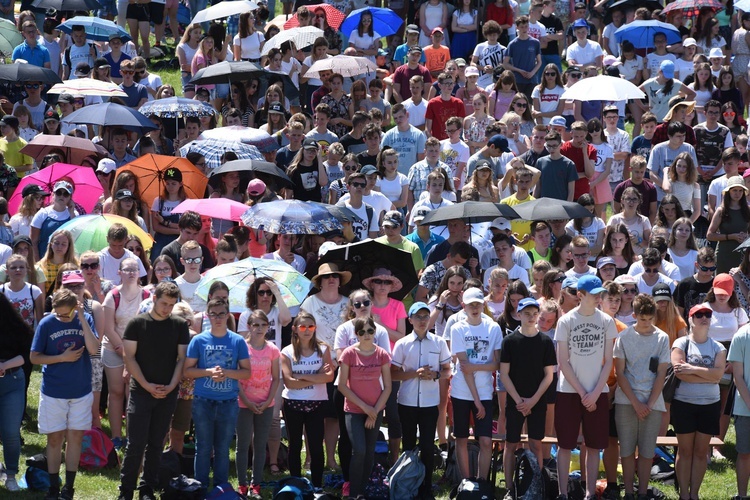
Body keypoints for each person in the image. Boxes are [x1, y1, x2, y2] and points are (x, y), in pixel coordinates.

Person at [118, 282, 188, 500]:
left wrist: (171, 386)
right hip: (141, 390)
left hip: (167, 392)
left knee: (157, 443)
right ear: (154, 298)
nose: (167, 308)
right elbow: (128, 357)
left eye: (171, 305)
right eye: (164, 303)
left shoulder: (179, 325)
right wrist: (147, 386)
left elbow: (181, 359)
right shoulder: (137, 324)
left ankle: (147, 487)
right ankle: (126, 489)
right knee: (135, 444)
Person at [31, 288, 99, 500]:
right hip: (53, 391)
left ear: (75, 308)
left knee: (75, 437)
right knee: (54, 439)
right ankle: (53, 487)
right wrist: (62, 358)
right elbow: (34, 357)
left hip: (80, 390)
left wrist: (80, 317)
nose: (60, 317)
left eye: (65, 314)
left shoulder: (85, 318)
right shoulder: (46, 323)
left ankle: (68, 488)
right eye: (57, 313)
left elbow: (94, 349)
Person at [555, 275, 617, 500]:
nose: (599, 297)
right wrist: (583, 394)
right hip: (569, 392)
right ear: (580, 295)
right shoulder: (566, 321)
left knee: (593, 445)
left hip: (597, 392)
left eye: (601, 293)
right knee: (565, 445)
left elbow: (609, 361)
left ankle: (590, 493)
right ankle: (563, 493)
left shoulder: (606, 321)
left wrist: (595, 392)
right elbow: (563, 361)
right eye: (594, 294)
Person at [183, 298, 251, 495]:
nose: (218, 318)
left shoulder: (237, 340)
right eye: (213, 314)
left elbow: (246, 372)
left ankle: (221, 491)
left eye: (221, 314)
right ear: (207, 316)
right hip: (203, 400)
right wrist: (209, 372)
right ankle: (200, 490)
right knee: (202, 447)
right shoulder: (199, 340)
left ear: (228, 315)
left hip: (228, 402)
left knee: (222, 449)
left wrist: (227, 373)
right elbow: (188, 371)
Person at [391, 301, 451, 498]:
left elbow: (447, 371)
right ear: (410, 320)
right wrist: (413, 374)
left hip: (429, 402)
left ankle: (425, 487)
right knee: (408, 445)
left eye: (426, 317)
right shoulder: (402, 343)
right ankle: (407, 484)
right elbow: (393, 374)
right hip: (407, 401)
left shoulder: (439, 342)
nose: (423, 321)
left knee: (426, 446)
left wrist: (434, 375)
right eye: (418, 317)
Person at [614, 293, 670, 500]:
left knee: (647, 451)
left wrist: (649, 403)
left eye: (649, 319)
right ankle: (629, 491)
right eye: (642, 319)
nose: (646, 323)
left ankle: (643, 491)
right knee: (627, 450)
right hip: (626, 401)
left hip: (653, 402)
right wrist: (636, 403)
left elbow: (662, 373)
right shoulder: (624, 337)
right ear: (635, 315)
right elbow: (620, 372)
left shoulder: (662, 337)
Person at [500, 297, 556, 496]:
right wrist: (518, 400)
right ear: (518, 315)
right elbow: (504, 374)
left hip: (537, 401)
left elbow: (549, 375)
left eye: (534, 314)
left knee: (536, 444)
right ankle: (509, 488)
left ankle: (536, 487)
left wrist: (532, 400)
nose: (531, 317)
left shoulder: (546, 341)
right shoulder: (509, 341)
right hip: (515, 401)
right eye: (527, 314)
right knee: (511, 443)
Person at [671, 303, 726, 500]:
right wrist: (708, 374)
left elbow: (719, 376)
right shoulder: (680, 343)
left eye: (707, 315)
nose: (704, 318)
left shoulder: (718, 347)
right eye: (699, 315)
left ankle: (694, 494)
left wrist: (692, 369)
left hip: (710, 405)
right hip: (683, 404)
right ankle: (684, 494)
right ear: (691, 320)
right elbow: (680, 373)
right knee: (685, 451)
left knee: (701, 452)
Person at [338, 316, 392, 498]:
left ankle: (362, 491)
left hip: (375, 410)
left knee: (369, 452)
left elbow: (388, 387)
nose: (367, 335)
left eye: (370, 331)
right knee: (359, 450)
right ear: (356, 334)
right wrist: (365, 408)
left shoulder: (382, 354)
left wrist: (374, 411)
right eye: (362, 332)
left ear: (375, 332)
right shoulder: (349, 353)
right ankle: (353, 494)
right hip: (353, 410)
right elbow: (342, 386)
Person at [451, 287, 502, 480]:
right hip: (462, 392)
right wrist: (477, 401)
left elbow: (497, 363)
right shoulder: (458, 328)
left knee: (486, 441)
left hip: (485, 391)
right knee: (461, 438)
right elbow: (464, 367)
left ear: (483, 305)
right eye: (470, 304)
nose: (474, 308)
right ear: (463, 305)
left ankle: (481, 483)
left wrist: (476, 368)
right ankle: (467, 482)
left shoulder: (493, 327)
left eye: (478, 304)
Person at [281, 313, 335, 488]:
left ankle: (317, 485)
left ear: (315, 328)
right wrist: (316, 376)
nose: (307, 330)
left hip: (317, 403)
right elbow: (289, 383)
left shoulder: (323, 349)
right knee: (295, 445)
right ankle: (296, 484)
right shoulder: (287, 352)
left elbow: (329, 378)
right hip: (292, 404)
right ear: (295, 329)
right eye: (302, 327)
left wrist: (301, 376)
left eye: (310, 326)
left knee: (316, 446)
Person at [102, 258, 151, 451]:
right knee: (116, 392)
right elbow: (108, 328)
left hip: (139, 352)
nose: (131, 273)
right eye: (127, 269)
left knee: (134, 395)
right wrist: (123, 352)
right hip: (114, 348)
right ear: (119, 273)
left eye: (134, 269)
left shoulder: (148, 295)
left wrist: (132, 355)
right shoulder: (112, 296)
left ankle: (133, 438)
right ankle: (116, 437)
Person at [235, 309, 280, 498]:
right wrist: (246, 401)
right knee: (243, 444)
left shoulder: (273, 350)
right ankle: (242, 484)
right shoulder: (241, 348)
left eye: (263, 324)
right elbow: (236, 378)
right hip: (243, 403)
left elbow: (276, 378)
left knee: (261, 444)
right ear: (249, 327)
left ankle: (256, 484)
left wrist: (268, 401)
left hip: (265, 404)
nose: (260, 328)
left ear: (268, 327)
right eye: (256, 325)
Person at [0, 292, 32, 492]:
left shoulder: (16, 327)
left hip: (12, 381)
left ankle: (11, 475)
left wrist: (3, 366)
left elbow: (27, 355)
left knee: (11, 433)